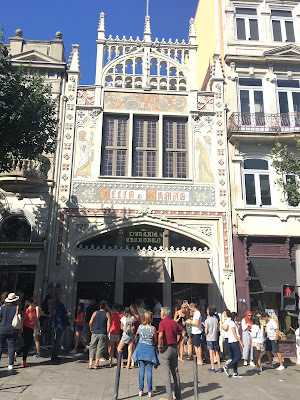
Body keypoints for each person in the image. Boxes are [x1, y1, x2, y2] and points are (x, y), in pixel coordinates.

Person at [158, 306, 184, 400]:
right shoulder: (174, 322)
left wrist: (159, 345)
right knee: (175, 372)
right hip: (173, 347)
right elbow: (183, 332)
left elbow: (160, 335)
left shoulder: (162, 323)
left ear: (163, 314)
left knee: (166, 373)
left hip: (165, 348)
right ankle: (178, 395)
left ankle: (169, 397)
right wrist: (178, 342)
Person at [133, 311, 159, 397]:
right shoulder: (153, 329)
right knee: (149, 371)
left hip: (141, 348)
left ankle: (140, 390)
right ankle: (150, 391)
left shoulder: (140, 327)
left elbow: (136, 337)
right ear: (150, 318)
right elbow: (155, 340)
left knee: (141, 370)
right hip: (149, 349)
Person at [16, 297, 40, 367]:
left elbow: (36, 320)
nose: (36, 305)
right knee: (27, 344)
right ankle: (22, 359)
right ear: (31, 303)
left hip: (31, 328)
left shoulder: (34, 311)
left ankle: (18, 355)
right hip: (26, 328)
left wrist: (38, 328)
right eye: (35, 303)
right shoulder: (27, 311)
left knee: (28, 344)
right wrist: (21, 329)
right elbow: (22, 320)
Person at [87, 300, 110, 369]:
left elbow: (90, 322)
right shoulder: (107, 314)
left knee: (92, 347)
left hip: (95, 332)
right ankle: (96, 364)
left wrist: (91, 328)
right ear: (105, 306)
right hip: (103, 333)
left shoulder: (95, 313)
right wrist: (107, 333)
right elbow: (109, 325)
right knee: (100, 348)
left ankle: (90, 363)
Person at [0, 293, 20, 370]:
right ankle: (10, 364)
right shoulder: (17, 308)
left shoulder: (2, 308)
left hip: (2, 328)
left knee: (0, 346)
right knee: (11, 346)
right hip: (12, 329)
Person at [50, 293, 71, 364]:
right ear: (62, 298)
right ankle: (54, 356)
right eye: (64, 298)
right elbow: (59, 316)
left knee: (58, 341)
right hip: (59, 325)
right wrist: (66, 315)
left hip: (59, 324)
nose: (65, 299)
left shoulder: (58, 305)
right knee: (57, 341)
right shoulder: (59, 305)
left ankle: (55, 355)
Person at [223, 312, 244, 378]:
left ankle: (235, 372)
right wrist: (240, 341)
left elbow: (236, 330)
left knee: (235, 357)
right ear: (234, 317)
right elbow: (234, 333)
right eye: (237, 316)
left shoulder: (234, 323)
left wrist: (239, 325)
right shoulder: (231, 323)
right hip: (233, 341)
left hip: (234, 341)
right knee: (238, 357)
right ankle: (227, 366)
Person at [205, 306, 222, 373]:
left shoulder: (207, 320)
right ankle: (219, 367)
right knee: (216, 352)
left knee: (211, 352)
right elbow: (218, 329)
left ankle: (213, 367)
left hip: (209, 338)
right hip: (215, 337)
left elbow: (206, 330)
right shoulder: (216, 320)